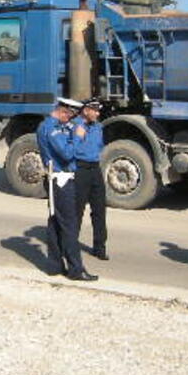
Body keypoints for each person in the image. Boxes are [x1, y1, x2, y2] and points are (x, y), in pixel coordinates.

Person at [36, 98, 97, 281]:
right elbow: (67, 153)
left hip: (61, 179)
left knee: (55, 223)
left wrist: (75, 131)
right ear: (63, 111)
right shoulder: (51, 129)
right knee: (69, 226)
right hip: (60, 180)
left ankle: (54, 266)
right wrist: (77, 136)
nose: (71, 120)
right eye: (70, 115)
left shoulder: (58, 125)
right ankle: (76, 269)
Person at [74, 98, 108, 260]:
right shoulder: (76, 125)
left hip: (95, 169)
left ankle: (99, 247)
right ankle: (71, 243)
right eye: (95, 110)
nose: (97, 113)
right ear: (86, 110)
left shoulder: (98, 127)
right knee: (77, 210)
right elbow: (72, 148)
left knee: (100, 209)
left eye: (98, 110)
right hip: (80, 169)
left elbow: (99, 146)